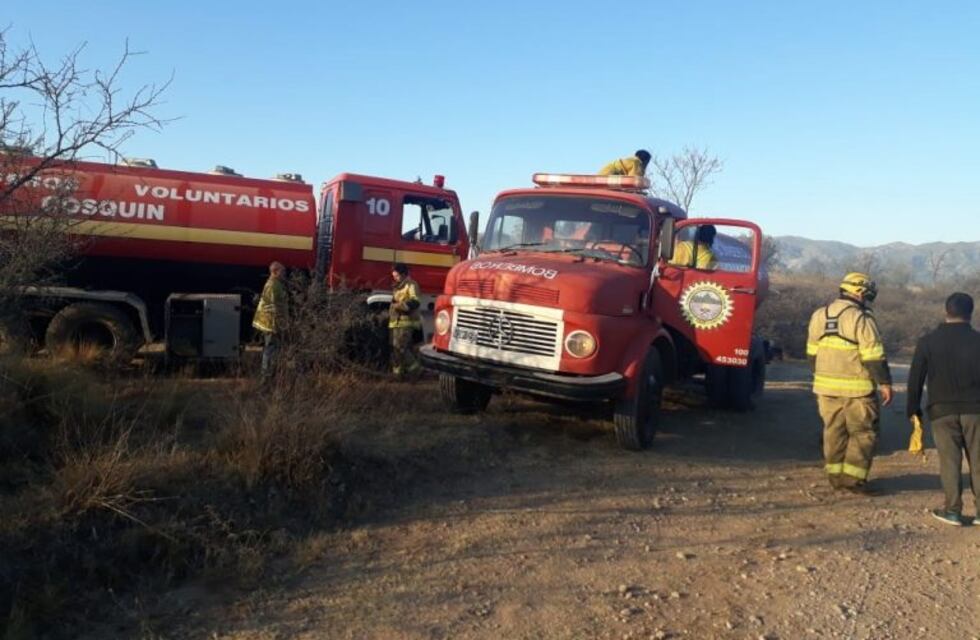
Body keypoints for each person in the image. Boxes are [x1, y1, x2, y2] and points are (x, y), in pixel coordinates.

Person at [806, 272, 893, 493]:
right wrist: (885, 383)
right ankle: (853, 480)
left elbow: (811, 354)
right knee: (863, 433)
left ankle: (835, 478)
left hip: (825, 388)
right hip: (858, 390)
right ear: (860, 292)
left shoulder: (819, 315)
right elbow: (873, 355)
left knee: (833, 431)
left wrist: (820, 377)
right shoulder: (861, 318)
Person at [906, 292, 980, 526]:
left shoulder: (928, 342)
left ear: (946, 311)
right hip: (976, 410)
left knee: (950, 461)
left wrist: (913, 409)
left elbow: (915, 378)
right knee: (979, 461)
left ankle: (953, 511)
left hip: (941, 411)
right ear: (972, 312)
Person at [252, 261, 288, 379]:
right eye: (282, 271)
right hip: (271, 323)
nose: (284, 274)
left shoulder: (274, 283)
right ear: (275, 272)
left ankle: (268, 375)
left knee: (271, 349)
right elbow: (273, 306)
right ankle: (266, 377)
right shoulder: (273, 285)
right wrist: (279, 323)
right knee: (270, 349)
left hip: (271, 322)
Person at [389, 262, 422, 378]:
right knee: (396, 350)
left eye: (397, 276)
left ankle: (416, 370)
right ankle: (398, 374)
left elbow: (415, 301)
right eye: (394, 276)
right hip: (396, 323)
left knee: (401, 349)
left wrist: (401, 306)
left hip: (405, 322)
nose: (395, 278)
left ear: (403, 274)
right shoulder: (398, 286)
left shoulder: (411, 285)